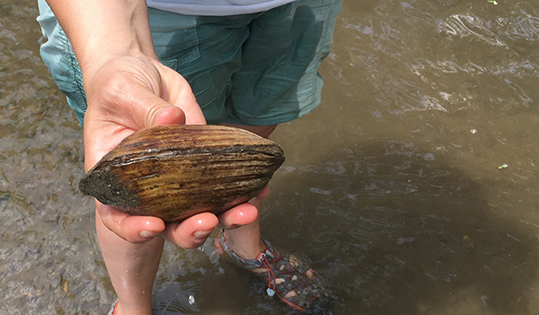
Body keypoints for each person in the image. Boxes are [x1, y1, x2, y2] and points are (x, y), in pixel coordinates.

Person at [36, 0, 342, 313]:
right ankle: (133, 305)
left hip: (294, 7)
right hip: (147, 14)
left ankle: (243, 247)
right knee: (135, 214)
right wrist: (119, 51)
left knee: (253, 124)